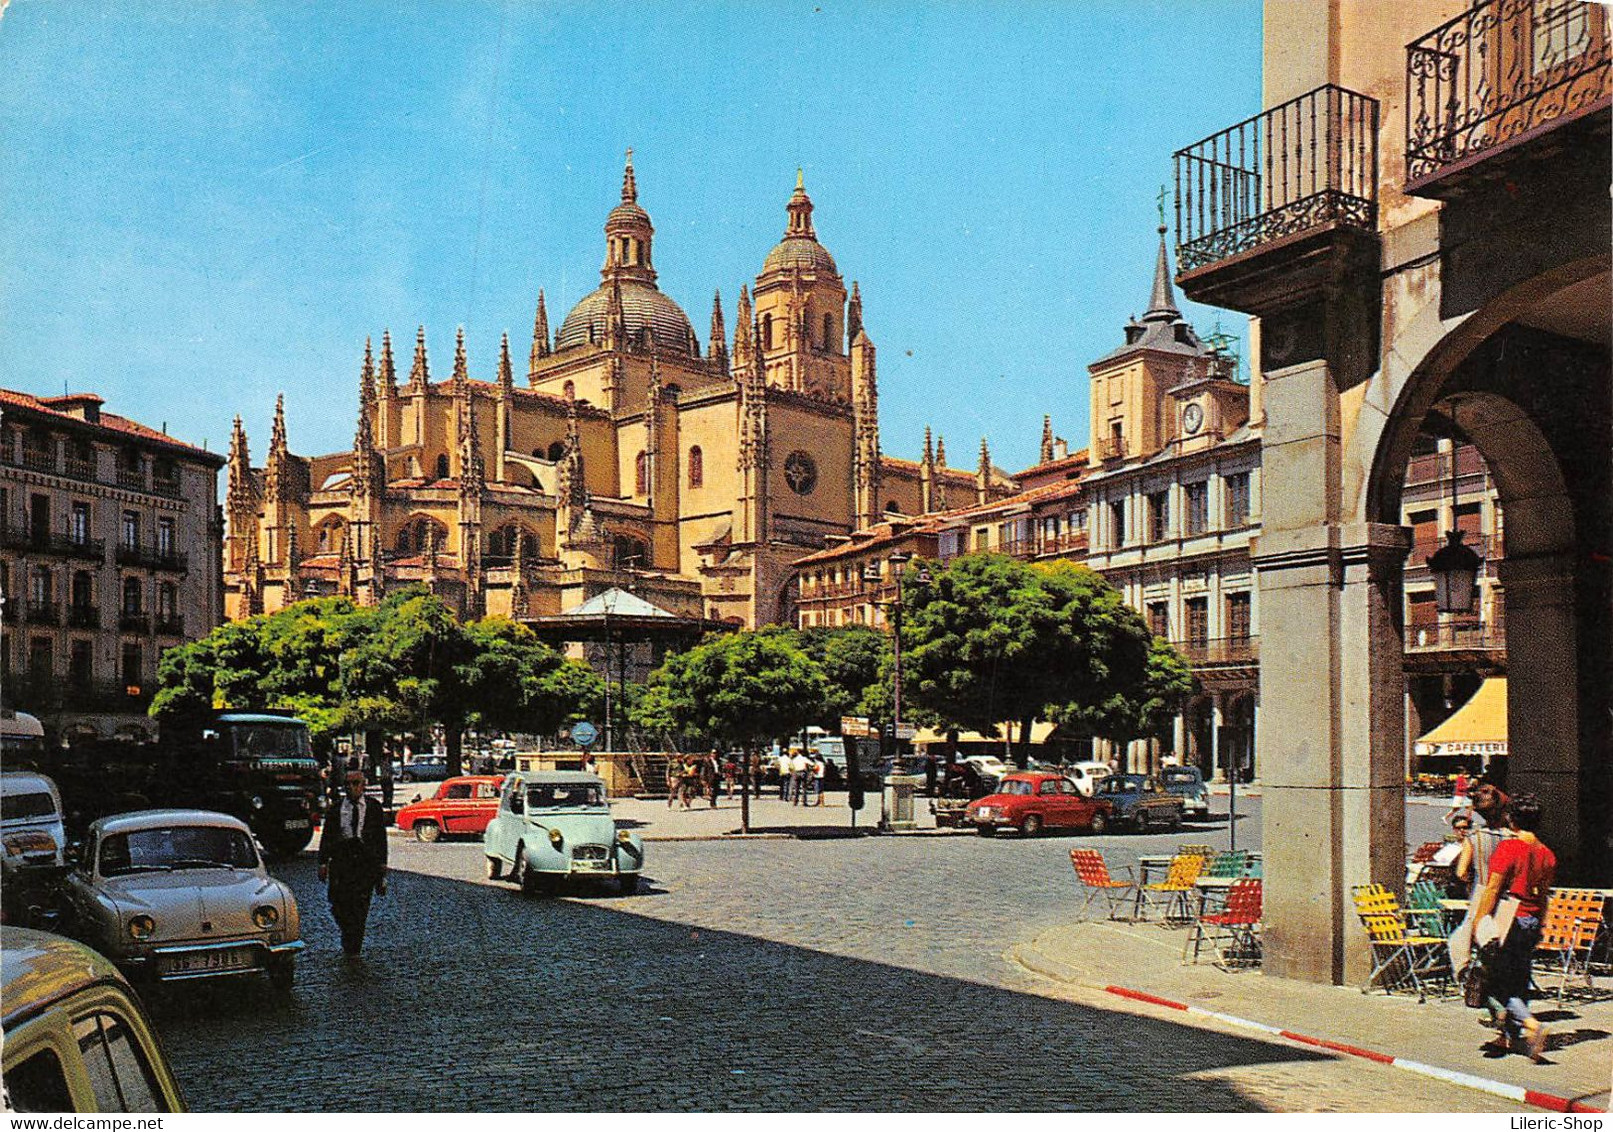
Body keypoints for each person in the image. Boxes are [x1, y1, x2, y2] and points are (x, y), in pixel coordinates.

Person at [1474, 793, 1555, 1061]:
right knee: (1519, 978)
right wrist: (1541, 923)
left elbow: (1493, 888)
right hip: (1532, 919)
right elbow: (1543, 895)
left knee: (1493, 982)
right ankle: (1507, 1037)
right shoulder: (1546, 854)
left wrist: (1479, 921)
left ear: (1512, 819)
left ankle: (1530, 1024)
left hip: (1509, 920)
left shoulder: (1509, 848)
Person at [318, 770, 388, 956]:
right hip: (342, 861)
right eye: (347, 784)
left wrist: (382, 866)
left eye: (355, 783)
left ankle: (353, 945)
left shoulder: (373, 807)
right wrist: (323, 862)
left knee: (360, 905)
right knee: (337, 903)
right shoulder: (336, 809)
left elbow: (381, 838)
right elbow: (327, 836)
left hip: (366, 862)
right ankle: (347, 931)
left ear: (363, 785)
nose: (351, 788)